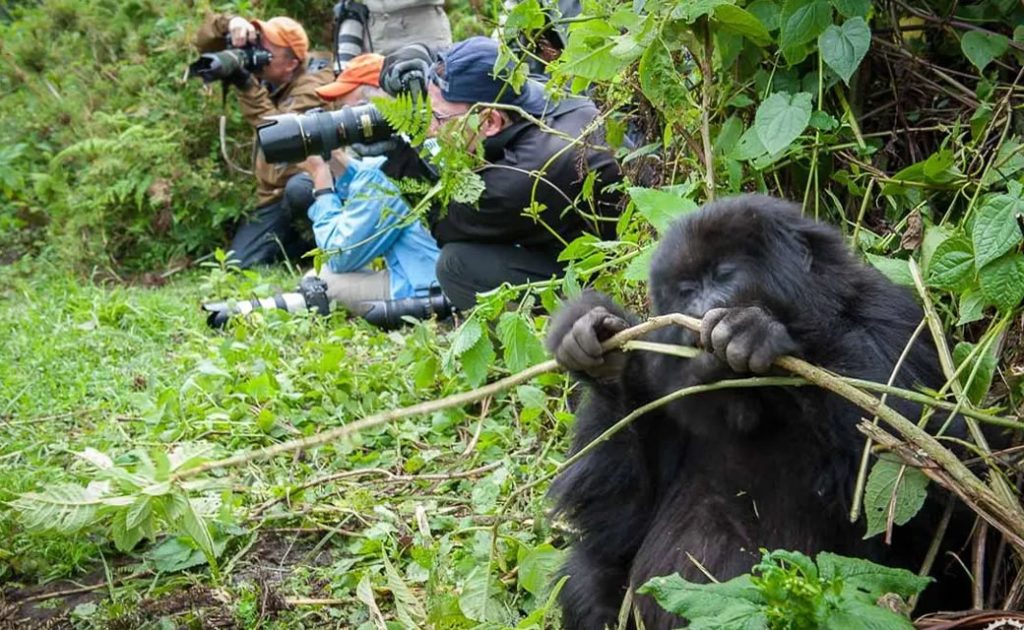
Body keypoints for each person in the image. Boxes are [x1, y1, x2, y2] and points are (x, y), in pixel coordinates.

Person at [382, 37, 624, 310]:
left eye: (438, 118)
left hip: (607, 279)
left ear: (490, 121)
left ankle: (544, 346)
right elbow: (465, 61)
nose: (430, 130)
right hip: (600, 247)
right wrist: (411, 57)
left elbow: (446, 221)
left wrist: (397, 155)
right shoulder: (533, 90)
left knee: (456, 266)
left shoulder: (524, 175)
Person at [299, 54, 443, 317]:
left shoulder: (391, 171)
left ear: (374, 106)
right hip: (448, 274)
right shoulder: (417, 142)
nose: (342, 122)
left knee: (320, 279)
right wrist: (335, 160)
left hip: (426, 289)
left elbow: (340, 255)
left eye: (349, 111)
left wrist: (321, 179)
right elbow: (368, 176)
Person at [195, 13, 334, 268]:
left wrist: (247, 86)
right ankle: (298, 249)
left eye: (265, 49)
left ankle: (323, 241)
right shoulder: (271, 77)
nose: (256, 52)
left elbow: (280, 135)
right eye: (256, 43)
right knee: (239, 263)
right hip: (272, 195)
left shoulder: (315, 86)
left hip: (310, 183)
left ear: (291, 63)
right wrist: (232, 23)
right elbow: (203, 42)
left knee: (299, 190)